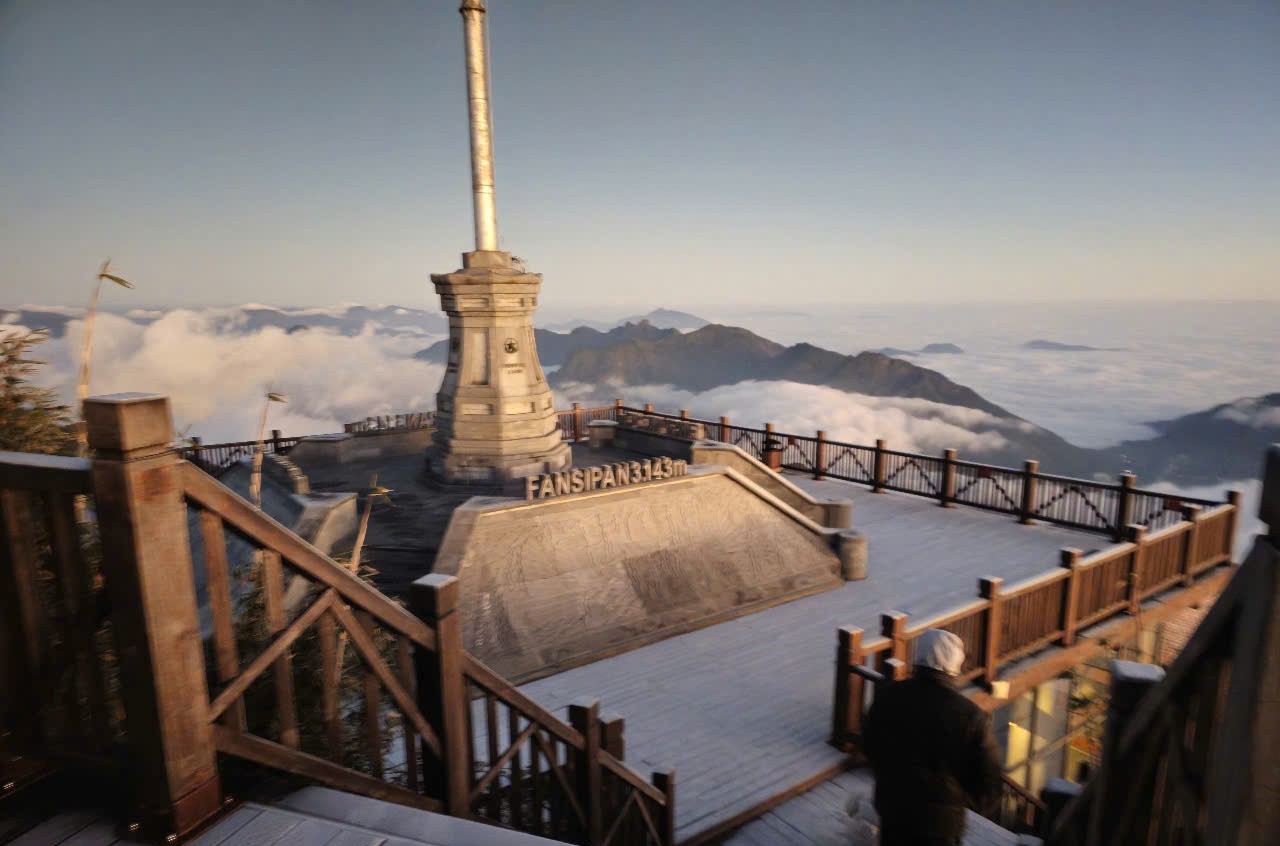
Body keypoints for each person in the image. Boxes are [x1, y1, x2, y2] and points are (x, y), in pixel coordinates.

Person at [862, 628, 1003, 845]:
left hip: (893, 808)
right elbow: (989, 779)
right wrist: (962, 802)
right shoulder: (971, 716)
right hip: (941, 823)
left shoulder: (889, 696)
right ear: (954, 665)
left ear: (918, 660)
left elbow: (871, 743)